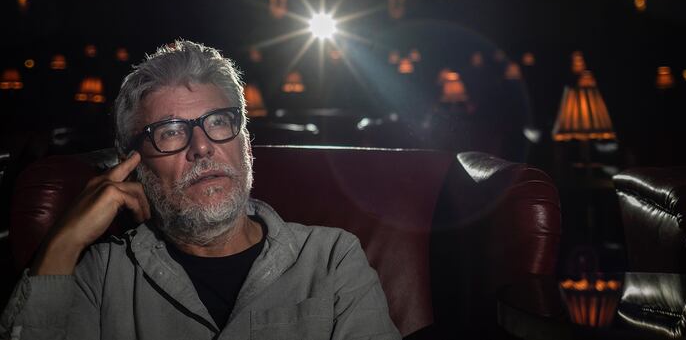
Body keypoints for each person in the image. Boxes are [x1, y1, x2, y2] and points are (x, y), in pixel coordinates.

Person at [0, 40, 401, 339]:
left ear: (244, 142)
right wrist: (63, 242)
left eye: (219, 122)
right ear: (134, 163)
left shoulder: (332, 258)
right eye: (171, 132)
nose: (202, 146)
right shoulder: (102, 276)